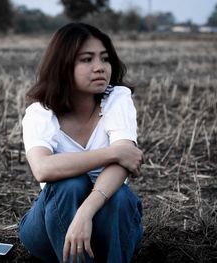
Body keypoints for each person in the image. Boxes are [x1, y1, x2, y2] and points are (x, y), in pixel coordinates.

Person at [19, 22, 144, 263]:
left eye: (105, 59)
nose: (100, 68)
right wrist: (113, 153)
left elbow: (123, 164)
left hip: (109, 223)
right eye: (87, 59)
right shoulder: (40, 113)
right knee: (69, 184)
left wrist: (85, 213)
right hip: (50, 226)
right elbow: (43, 168)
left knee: (120, 196)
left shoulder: (117, 99)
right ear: (63, 66)